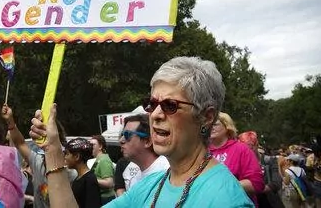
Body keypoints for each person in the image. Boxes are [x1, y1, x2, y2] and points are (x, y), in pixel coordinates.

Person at [29, 56, 255, 207]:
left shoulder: (226, 199)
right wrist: (52, 150)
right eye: (152, 103)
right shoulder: (152, 185)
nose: (155, 114)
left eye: (170, 105)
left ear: (206, 116)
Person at [3, 105, 76, 208]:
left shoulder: (72, 174)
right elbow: (20, 143)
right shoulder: (37, 162)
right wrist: (10, 121)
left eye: (45, 134)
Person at [210, 112, 265, 206]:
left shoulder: (241, 149)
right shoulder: (202, 151)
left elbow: (257, 183)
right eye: (209, 124)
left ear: (227, 126)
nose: (211, 127)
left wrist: (226, 185)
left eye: (215, 124)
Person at [118, 114, 169, 191]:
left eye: (127, 134)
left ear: (147, 141)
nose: (121, 140)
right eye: (122, 134)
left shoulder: (168, 173)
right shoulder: (129, 172)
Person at [64, 138, 101, 208]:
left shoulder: (90, 179)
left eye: (67, 154)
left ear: (77, 157)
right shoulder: (78, 178)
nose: (65, 157)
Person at [89, 135, 116, 204]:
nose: (90, 147)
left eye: (93, 145)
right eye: (89, 144)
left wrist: (90, 179)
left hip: (106, 199)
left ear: (100, 146)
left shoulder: (104, 160)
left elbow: (109, 183)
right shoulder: (99, 159)